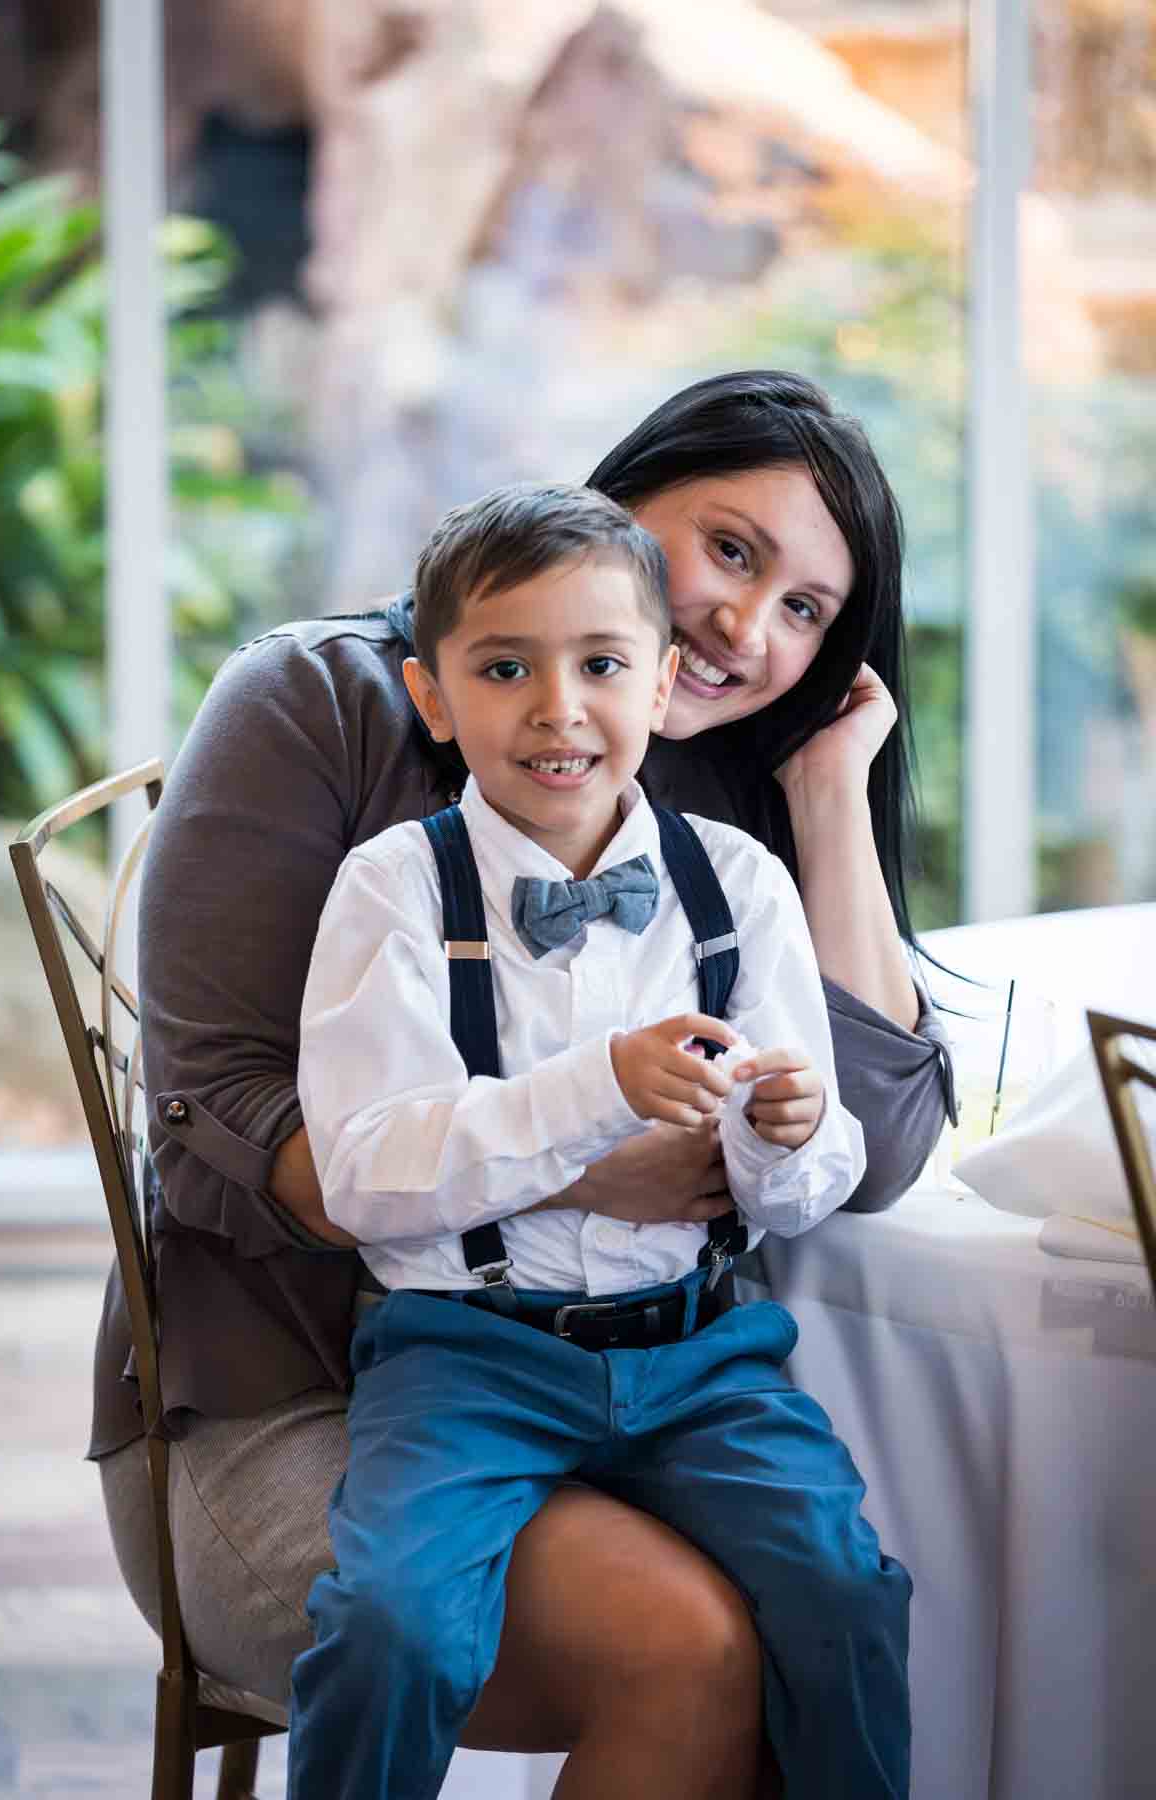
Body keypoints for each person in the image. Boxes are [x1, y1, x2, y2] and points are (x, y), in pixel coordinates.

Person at [95, 371, 954, 1795]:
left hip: (654, 1367)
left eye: (808, 609)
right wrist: (563, 1150)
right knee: (684, 1646)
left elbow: (879, 1146)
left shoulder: (714, 804)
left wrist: (828, 799)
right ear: (621, 496)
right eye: (732, 552)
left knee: (828, 1604)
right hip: (291, 1383)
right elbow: (209, 1136)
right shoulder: (327, 708)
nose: (746, 626)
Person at [289, 480, 910, 1800]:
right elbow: (364, 1170)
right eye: (505, 668)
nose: (559, 709)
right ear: (436, 697)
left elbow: (811, 1187)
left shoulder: (737, 886)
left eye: (601, 665)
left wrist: (785, 1137)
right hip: (466, 1355)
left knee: (848, 1596)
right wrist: (596, 1089)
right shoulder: (396, 890)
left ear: (663, 681)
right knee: (390, 1622)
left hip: (698, 1354)